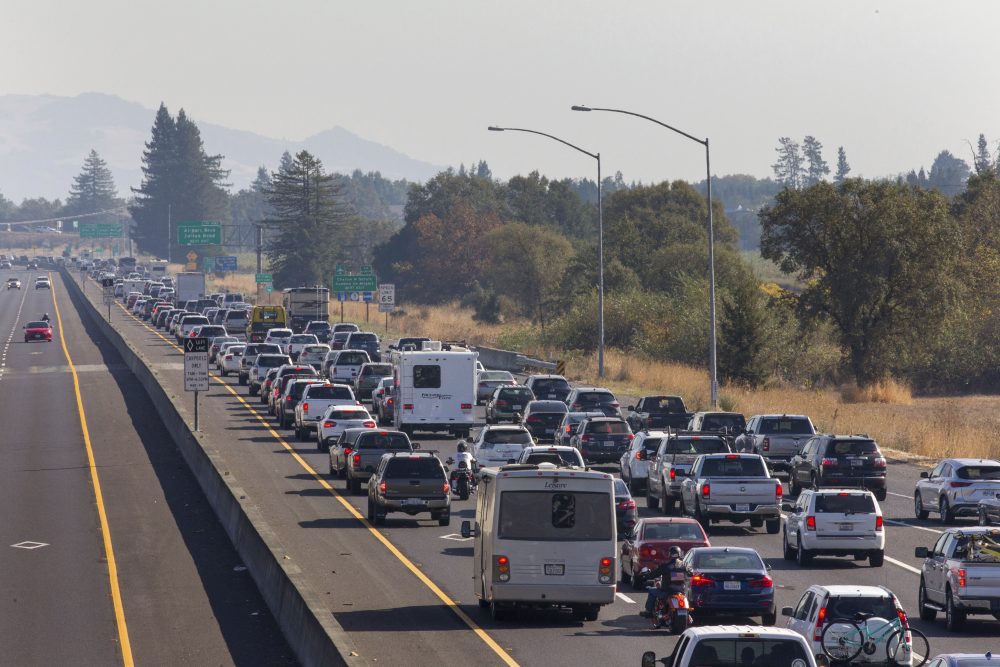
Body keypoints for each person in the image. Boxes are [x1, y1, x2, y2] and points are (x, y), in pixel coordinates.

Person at [641, 546, 688, 618]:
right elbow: (691, 572)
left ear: (669, 554)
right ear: (679, 554)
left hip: (667, 592)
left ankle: (649, 612)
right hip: (681, 591)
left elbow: (654, 574)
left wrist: (645, 577)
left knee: (651, 591)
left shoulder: (666, 566)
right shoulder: (684, 565)